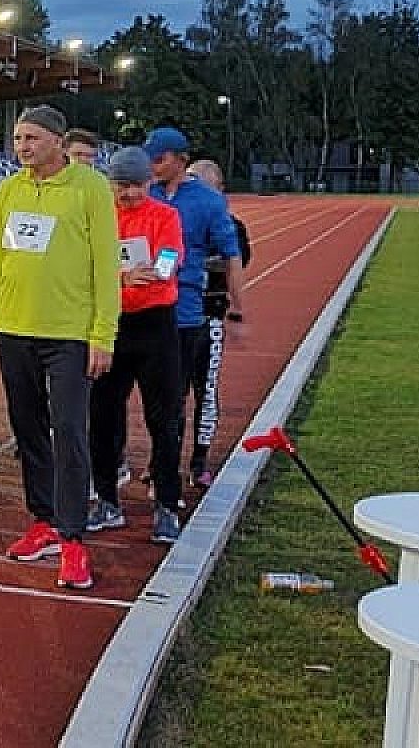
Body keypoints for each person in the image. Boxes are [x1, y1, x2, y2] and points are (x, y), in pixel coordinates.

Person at [0, 105, 119, 591]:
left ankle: (75, 538)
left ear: (58, 141)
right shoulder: (11, 189)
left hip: (68, 334)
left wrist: (102, 334)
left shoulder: (91, 189)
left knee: (70, 432)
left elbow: (105, 266)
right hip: (15, 329)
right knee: (29, 430)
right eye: (17, 139)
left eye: (32, 138)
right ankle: (44, 521)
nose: (22, 147)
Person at [87, 147, 187, 544]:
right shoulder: (101, 217)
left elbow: (169, 260)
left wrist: (147, 273)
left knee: (163, 418)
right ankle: (107, 499)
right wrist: (122, 279)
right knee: (104, 416)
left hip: (155, 325)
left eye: (135, 186)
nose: (127, 194)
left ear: (149, 183)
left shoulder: (165, 215)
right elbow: (90, 269)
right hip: (110, 325)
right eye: (120, 186)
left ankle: (166, 503)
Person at [144, 127, 248, 493]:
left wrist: (237, 309)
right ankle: (158, 462)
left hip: (190, 313)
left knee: (186, 393)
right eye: (149, 159)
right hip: (144, 309)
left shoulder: (206, 202)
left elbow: (234, 255)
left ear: (180, 160)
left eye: (160, 159)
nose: (153, 166)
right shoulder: (145, 192)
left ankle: (190, 463)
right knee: (156, 396)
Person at [179, 156, 252, 488]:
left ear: (220, 190)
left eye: (203, 185)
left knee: (205, 391)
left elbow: (236, 262)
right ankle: (162, 461)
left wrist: (195, 259)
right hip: (178, 320)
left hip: (211, 318)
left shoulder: (232, 225)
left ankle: (200, 459)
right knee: (170, 395)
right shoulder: (175, 217)